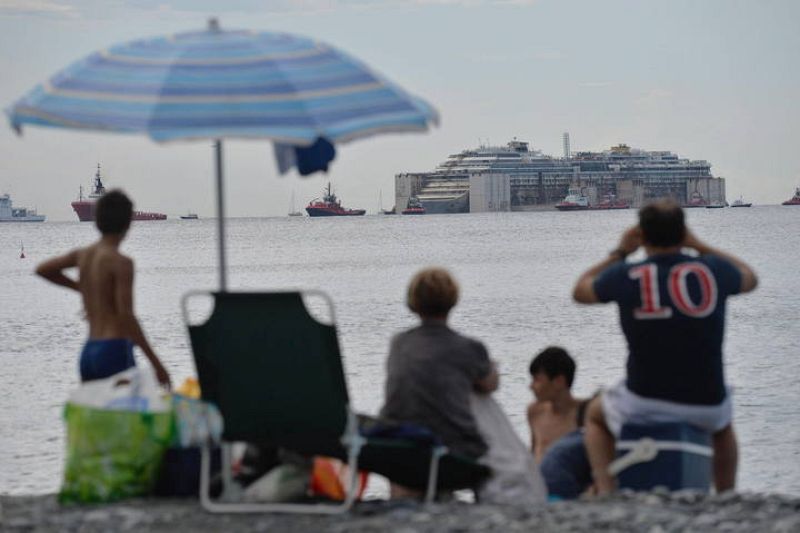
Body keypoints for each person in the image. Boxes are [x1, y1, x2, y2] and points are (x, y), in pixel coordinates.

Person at [572, 199, 757, 494]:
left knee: (594, 414)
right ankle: (726, 494)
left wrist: (620, 253)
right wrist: (701, 246)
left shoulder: (626, 275)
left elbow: (580, 290)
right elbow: (750, 278)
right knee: (723, 425)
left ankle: (607, 492)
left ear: (642, 236)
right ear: (683, 232)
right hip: (706, 400)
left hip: (645, 398)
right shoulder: (712, 271)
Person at [35, 189, 171, 387]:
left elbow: (43, 269)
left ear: (97, 220)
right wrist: (157, 364)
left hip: (89, 351)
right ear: (127, 223)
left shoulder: (82, 255)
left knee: (97, 416)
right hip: (114, 349)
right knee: (124, 415)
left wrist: (82, 288)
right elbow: (126, 316)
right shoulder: (121, 262)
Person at [527, 346, 593, 499]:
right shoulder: (535, 411)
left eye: (537, 380)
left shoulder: (587, 414)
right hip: (538, 491)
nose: (531, 386)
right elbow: (533, 452)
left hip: (571, 492)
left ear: (559, 381)